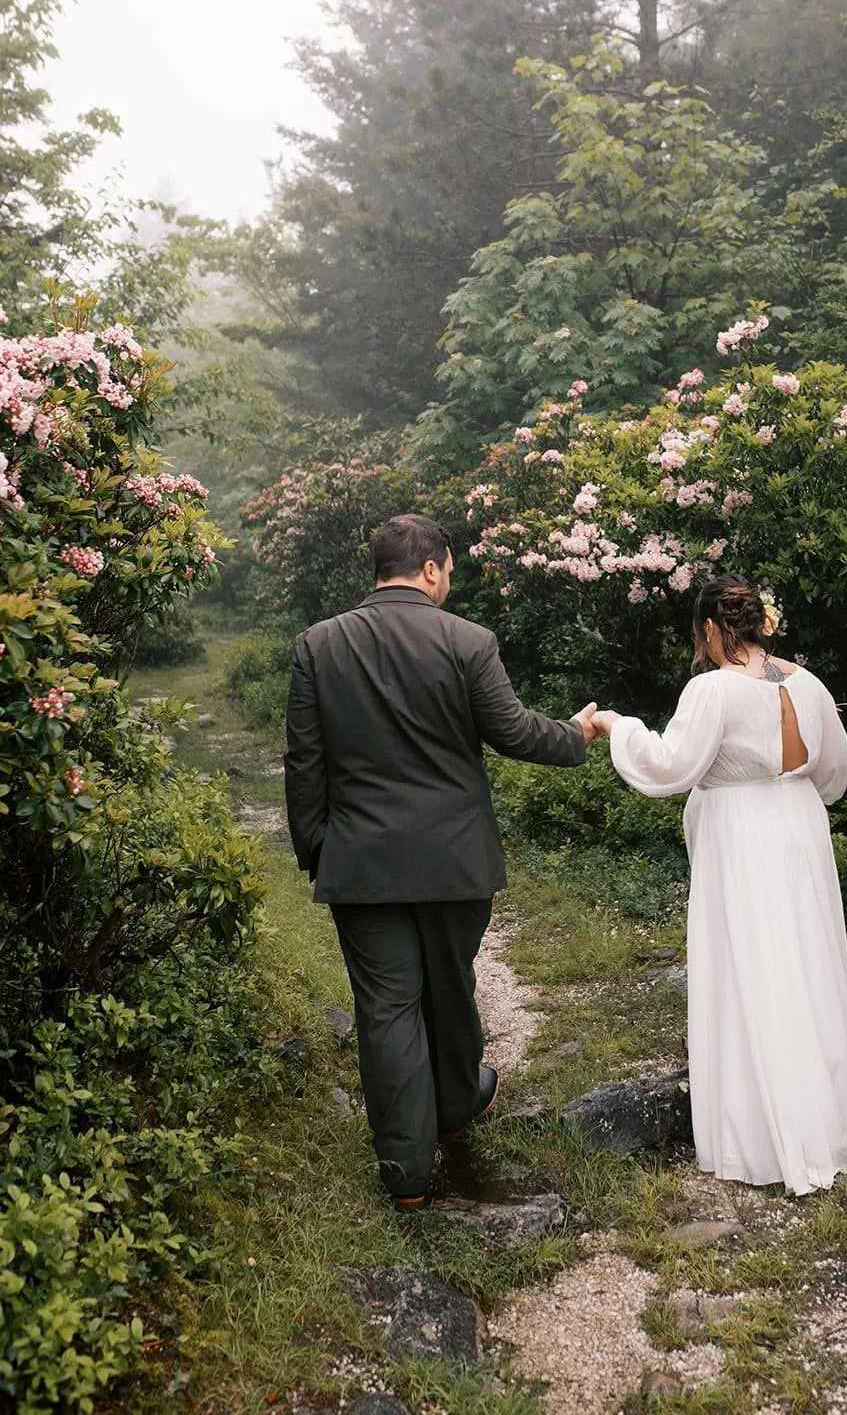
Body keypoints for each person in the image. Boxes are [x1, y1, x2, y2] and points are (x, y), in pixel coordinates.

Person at [284, 512, 597, 1211]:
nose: (448, 583)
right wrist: (575, 734)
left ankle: (406, 1175)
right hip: (454, 859)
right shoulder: (467, 641)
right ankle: (456, 1106)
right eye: (448, 572)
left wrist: (317, 851)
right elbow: (512, 731)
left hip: (360, 863)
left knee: (386, 1007)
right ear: (430, 567)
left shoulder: (318, 644)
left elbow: (304, 763)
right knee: (450, 983)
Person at [592, 575, 847, 1196]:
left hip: (743, 834)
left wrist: (617, 726)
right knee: (805, 966)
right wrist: (788, 802)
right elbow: (834, 772)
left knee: (751, 967)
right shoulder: (809, 683)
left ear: (713, 629)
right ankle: (818, 1121)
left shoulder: (712, 690)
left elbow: (669, 766)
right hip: (800, 824)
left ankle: (760, 1137)